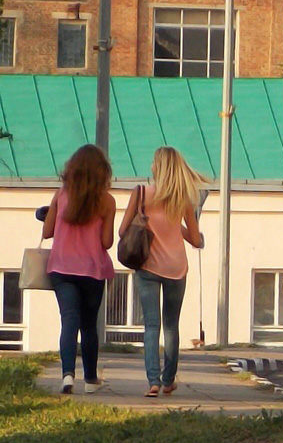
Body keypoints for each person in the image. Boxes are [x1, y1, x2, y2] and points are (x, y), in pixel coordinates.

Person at [119, 146, 206, 397]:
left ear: (159, 167)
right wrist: (177, 227)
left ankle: (153, 382)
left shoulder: (141, 193)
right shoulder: (184, 198)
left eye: (154, 163)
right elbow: (195, 240)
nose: (151, 167)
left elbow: (123, 230)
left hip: (147, 266)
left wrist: (147, 223)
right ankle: (168, 380)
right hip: (177, 268)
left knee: (151, 326)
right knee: (171, 326)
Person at [42, 144, 117, 395]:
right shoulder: (107, 201)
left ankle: (67, 375)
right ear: (102, 171)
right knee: (88, 325)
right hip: (92, 270)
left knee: (68, 320)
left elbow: (47, 232)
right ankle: (91, 379)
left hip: (62, 268)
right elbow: (107, 242)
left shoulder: (61, 195)